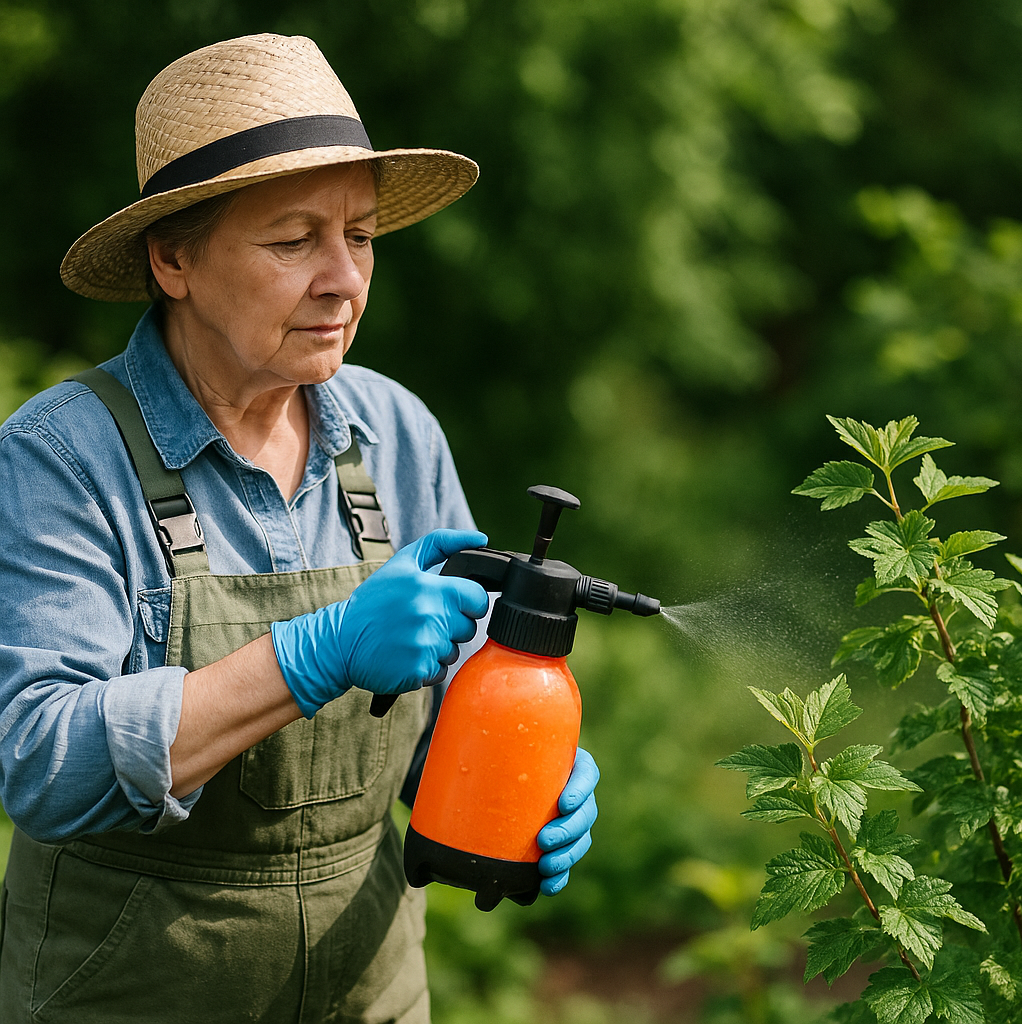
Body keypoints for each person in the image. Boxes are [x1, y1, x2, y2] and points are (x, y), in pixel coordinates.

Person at [0, 34, 598, 1023]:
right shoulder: (63, 458)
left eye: (359, 236)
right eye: (293, 240)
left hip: (369, 989)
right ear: (173, 259)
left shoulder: (396, 432)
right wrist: (311, 654)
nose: (342, 279)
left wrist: (513, 778)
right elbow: (43, 765)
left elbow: (435, 722)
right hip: (127, 992)